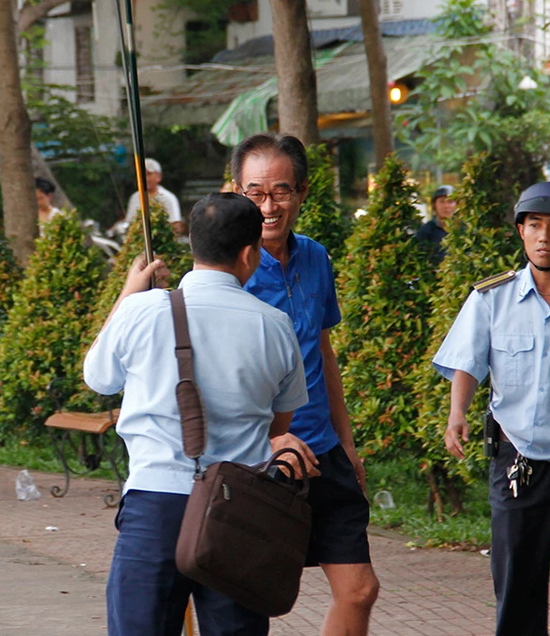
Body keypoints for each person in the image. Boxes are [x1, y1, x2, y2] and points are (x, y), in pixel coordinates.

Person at [84, 192, 315, 636]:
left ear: (193, 244)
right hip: (238, 512)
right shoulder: (275, 325)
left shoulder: (141, 310)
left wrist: (129, 294)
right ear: (249, 253)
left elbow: (99, 379)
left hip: (154, 505)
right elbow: (278, 427)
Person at [435, 181, 550, 636]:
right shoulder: (491, 298)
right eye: (534, 225)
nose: (544, 236)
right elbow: (467, 363)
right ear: (521, 231)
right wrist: (457, 414)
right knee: (518, 585)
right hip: (520, 459)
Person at [231, 133, 379, 634]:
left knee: (359, 589)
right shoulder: (229, 270)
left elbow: (323, 352)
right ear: (236, 192)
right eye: (255, 192)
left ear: (302, 192)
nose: (268, 206)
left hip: (323, 452)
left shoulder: (315, 257)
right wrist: (271, 439)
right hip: (259, 459)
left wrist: (347, 443)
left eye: (281, 190)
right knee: (250, 598)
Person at [124, 158, 185, 236]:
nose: (145, 178)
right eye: (142, 175)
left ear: (159, 177)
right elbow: (130, 223)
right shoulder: (135, 197)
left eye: (149, 174)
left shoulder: (169, 198)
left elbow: (175, 226)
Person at [415, 185, 457, 262]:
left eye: (450, 202)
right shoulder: (425, 231)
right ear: (434, 205)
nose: (446, 206)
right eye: (442, 202)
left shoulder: (464, 229)